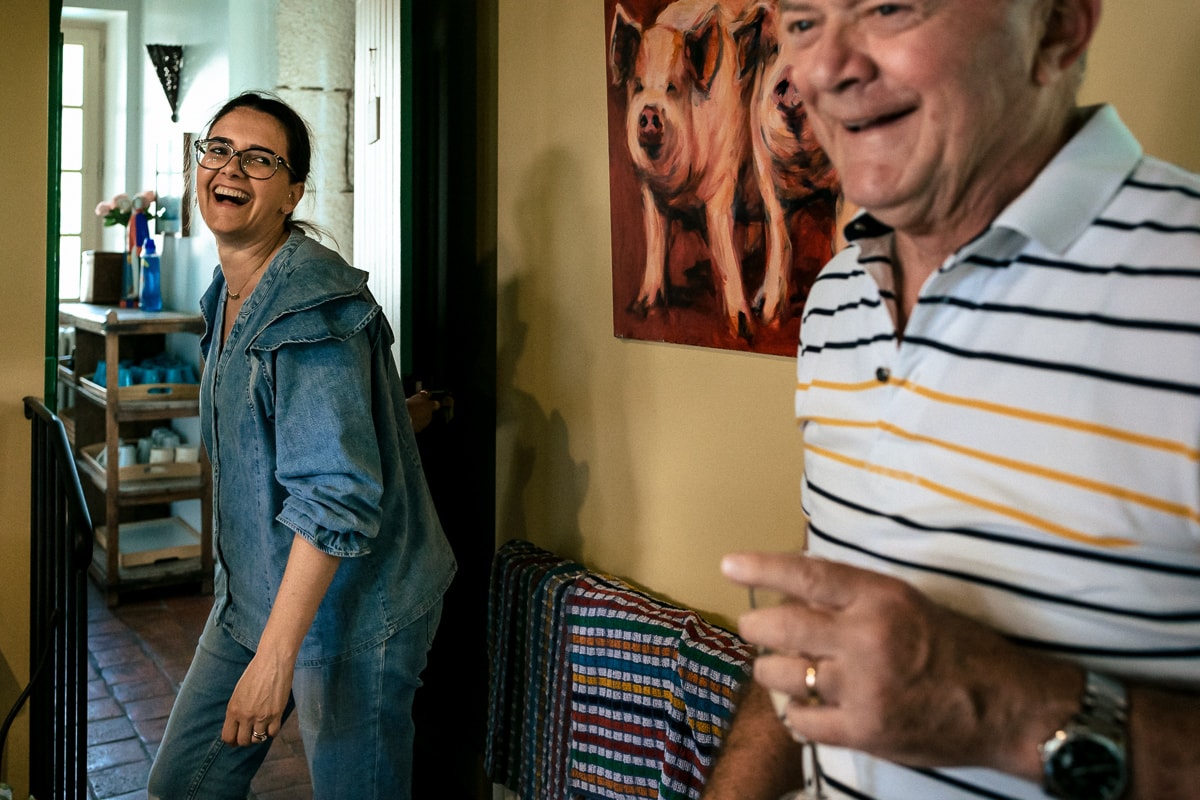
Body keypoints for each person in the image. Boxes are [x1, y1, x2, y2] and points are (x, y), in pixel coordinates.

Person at [703, 1, 1200, 799]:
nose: (824, 70)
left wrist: (1006, 711)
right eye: (801, 23)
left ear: (1058, 27)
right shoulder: (835, 299)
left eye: (889, 7)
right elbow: (823, 618)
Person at [147, 91, 457, 800]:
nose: (231, 167)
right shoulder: (226, 293)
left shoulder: (310, 305)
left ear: (291, 192)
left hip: (356, 609)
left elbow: (334, 493)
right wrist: (416, 412)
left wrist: (275, 659)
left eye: (260, 159)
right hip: (255, 595)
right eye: (219, 149)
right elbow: (338, 428)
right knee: (181, 787)